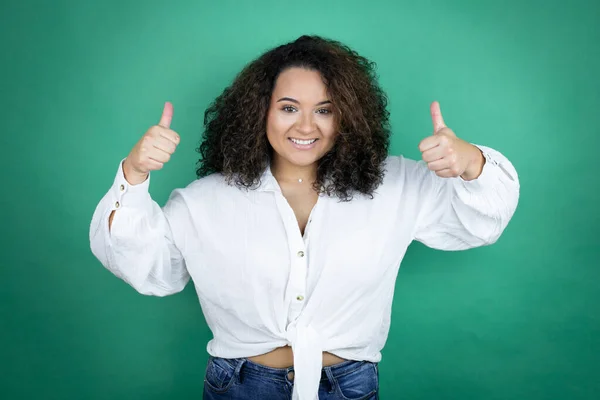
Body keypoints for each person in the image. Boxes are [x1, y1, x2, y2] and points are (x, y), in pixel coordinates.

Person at [89, 35, 520, 400]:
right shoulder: (204, 201)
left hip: (348, 385)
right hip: (239, 386)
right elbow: (148, 268)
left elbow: (483, 221)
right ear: (260, 112)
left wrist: (471, 161)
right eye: (289, 107)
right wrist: (134, 172)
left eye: (326, 109)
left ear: (348, 114)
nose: (307, 125)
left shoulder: (397, 185)